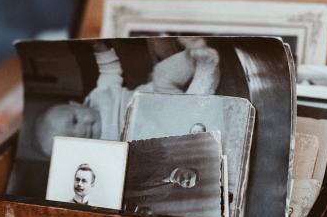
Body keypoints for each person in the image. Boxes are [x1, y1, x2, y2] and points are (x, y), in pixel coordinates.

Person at [35, 37, 220, 156]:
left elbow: (109, 71)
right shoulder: (102, 148)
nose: (81, 131)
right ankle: (203, 85)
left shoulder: (99, 95)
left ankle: (196, 57)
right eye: (73, 140)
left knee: (162, 73)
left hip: (157, 93)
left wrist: (100, 48)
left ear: (76, 104)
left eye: (74, 121)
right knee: (172, 135)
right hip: (160, 125)